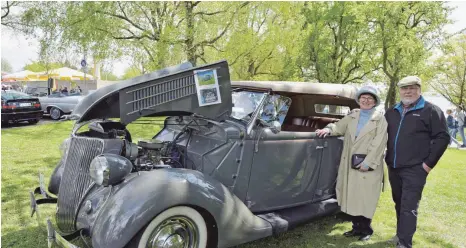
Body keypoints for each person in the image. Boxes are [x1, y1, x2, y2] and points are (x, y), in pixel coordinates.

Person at [384, 76, 449, 248]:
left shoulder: (431, 110)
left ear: (419, 89)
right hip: (394, 166)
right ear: (399, 91)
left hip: (416, 169)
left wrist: (427, 165)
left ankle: (405, 243)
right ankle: (400, 235)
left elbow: (443, 138)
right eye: (404, 88)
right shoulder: (391, 112)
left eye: (412, 88)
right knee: (399, 203)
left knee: (408, 205)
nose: (408, 91)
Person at [316, 85, 387, 241]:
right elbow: (339, 127)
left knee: (365, 197)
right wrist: (328, 130)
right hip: (350, 161)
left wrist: (368, 162)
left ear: (374, 101)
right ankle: (356, 228)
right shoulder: (353, 115)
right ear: (359, 100)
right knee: (352, 195)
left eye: (370, 98)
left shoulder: (379, 118)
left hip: (368, 164)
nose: (366, 101)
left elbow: (379, 143)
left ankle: (366, 230)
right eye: (363, 98)